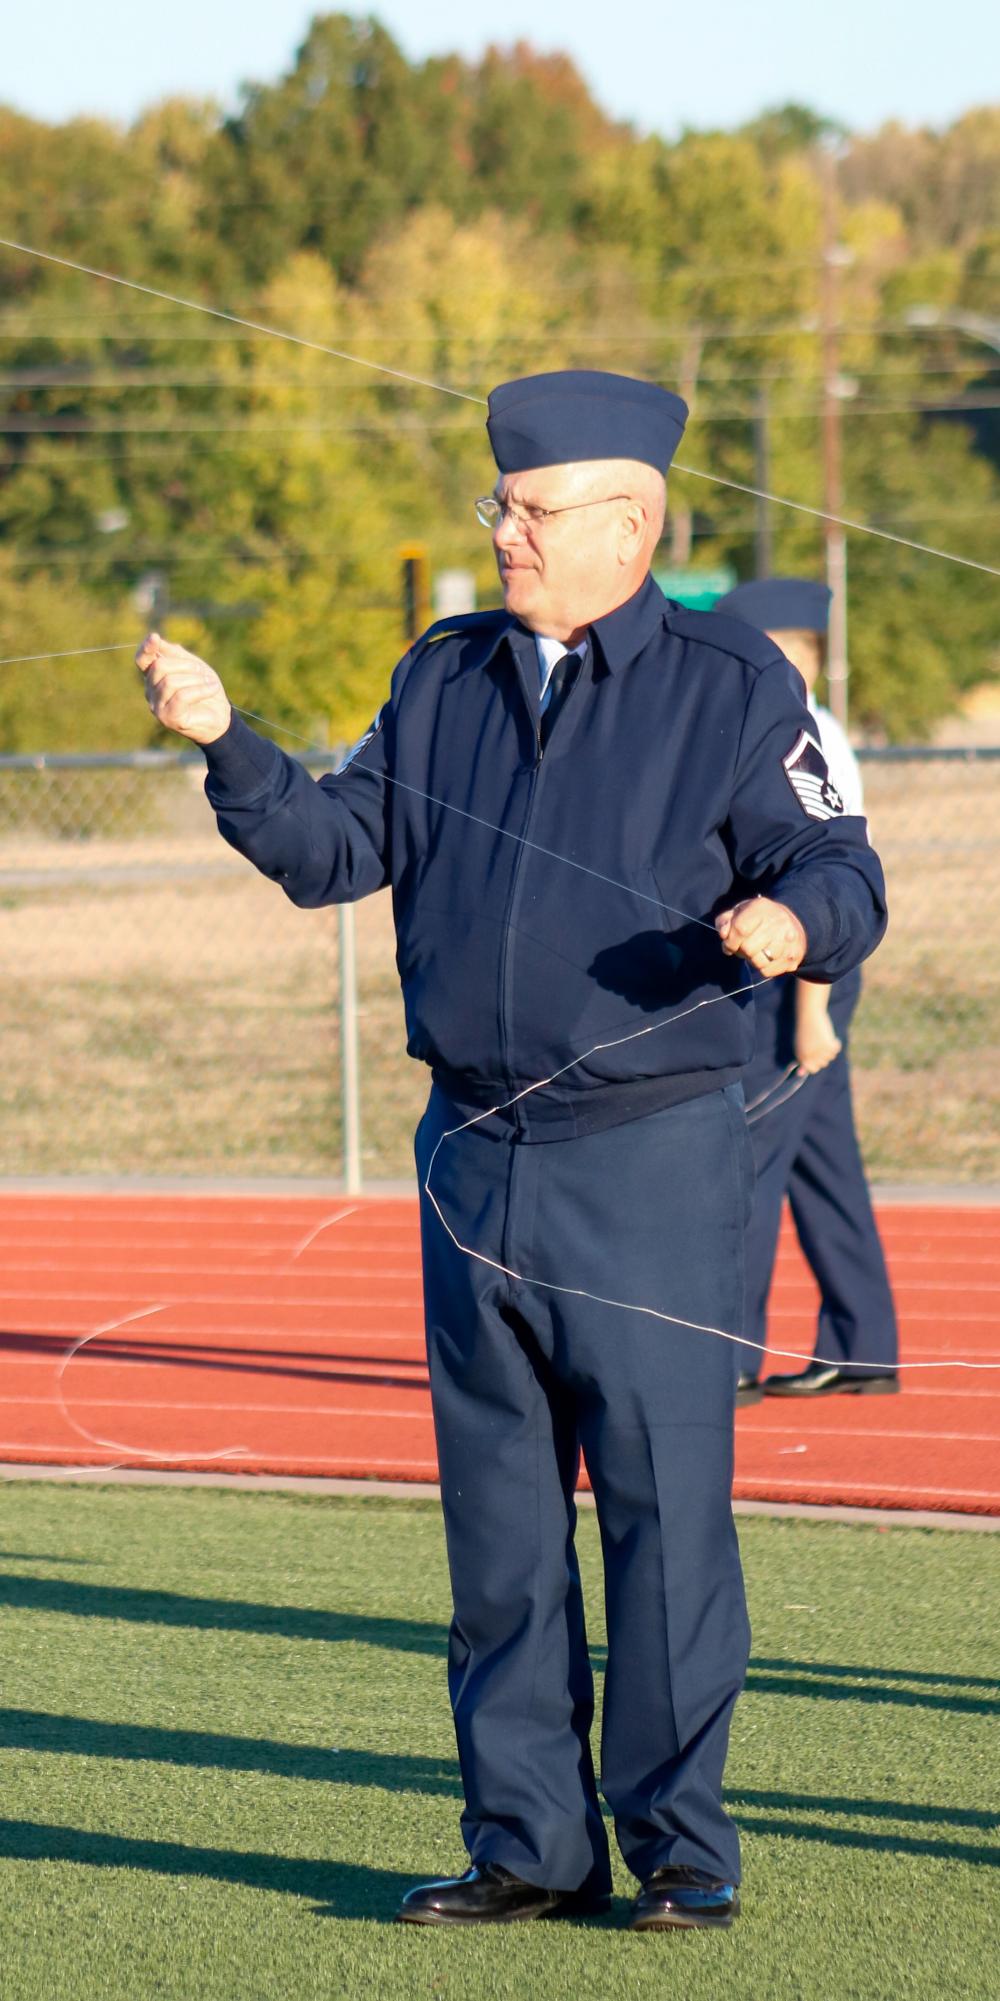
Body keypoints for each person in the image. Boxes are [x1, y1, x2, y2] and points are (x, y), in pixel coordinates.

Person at [137, 371, 886, 1934]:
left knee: (667, 1515)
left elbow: (841, 864)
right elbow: (336, 851)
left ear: (629, 521)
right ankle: (528, 1845)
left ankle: (682, 1849)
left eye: (532, 511)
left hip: (654, 1157)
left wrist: (791, 918)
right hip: (472, 1153)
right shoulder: (447, 670)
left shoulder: (733, 679)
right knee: (496, 1526)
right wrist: (229, 745)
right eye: (499, 506)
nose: (505, 533)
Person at [713, 578, 899, 1405]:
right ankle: (862, 1343)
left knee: (748, 1160)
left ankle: (731, 1358)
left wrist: (813, 1016)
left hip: (802, 976)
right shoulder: (796, 725)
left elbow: (826, 884)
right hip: (799, 973)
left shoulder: (803, 735)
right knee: (825, 1167)